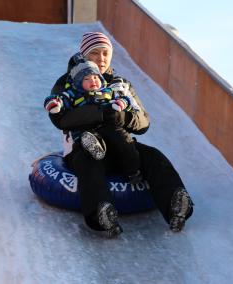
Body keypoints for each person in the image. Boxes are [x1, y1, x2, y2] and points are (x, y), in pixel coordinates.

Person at [47, 32, 193, 237]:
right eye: (95, 53)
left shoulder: (120, 84)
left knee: (152, 156)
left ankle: (176, 205)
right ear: (84, 55)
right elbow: (60, 118)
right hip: (84, 145)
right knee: (90, 163)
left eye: (105, 53)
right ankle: (101, 215)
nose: (101, 58)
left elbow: (143, 123)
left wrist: (121, 117)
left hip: (119, 145)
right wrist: (100, 113)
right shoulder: (69, 82)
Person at [44, 56, 142, 183]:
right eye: (87, 79)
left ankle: (133, 171)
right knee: (88, 138)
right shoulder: (74, 94)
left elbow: (125, 99)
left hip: (108, 128)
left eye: (96, 77)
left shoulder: (108, 91)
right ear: (79, 83)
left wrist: (122, 103)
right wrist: (54, 103)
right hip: (86, 131)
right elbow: (60, 99)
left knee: (121, 138)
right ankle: (94, 147)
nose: (93, 80)